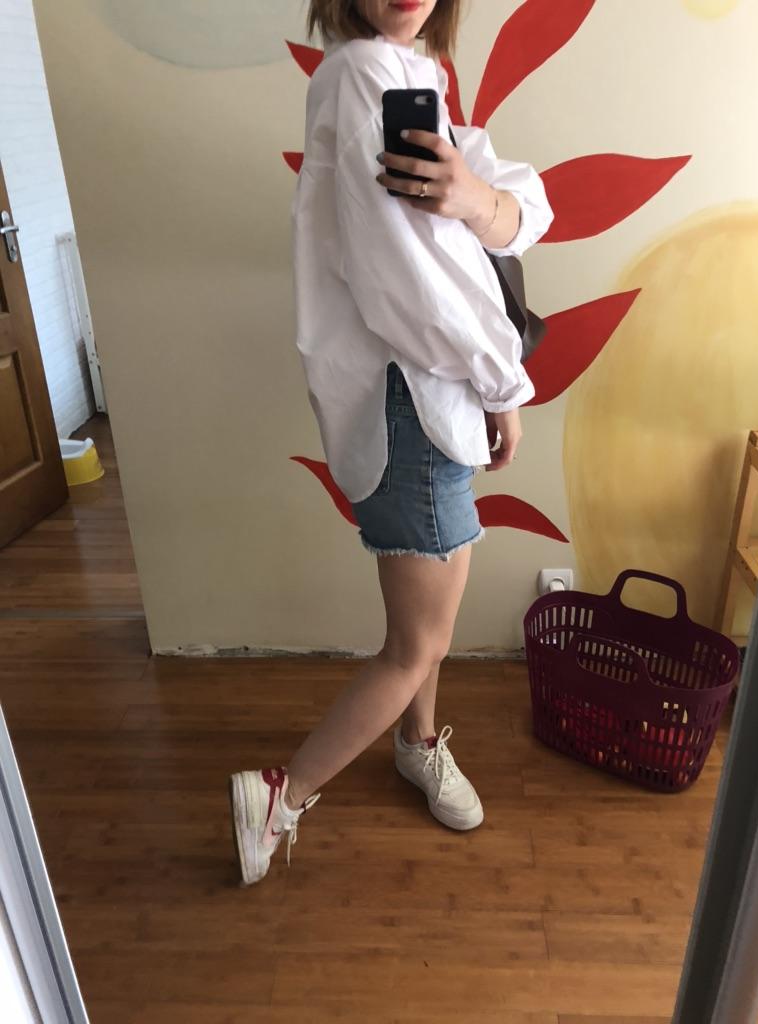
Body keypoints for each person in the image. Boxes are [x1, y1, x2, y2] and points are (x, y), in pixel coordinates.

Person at [228, 0, 554, 886]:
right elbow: (411, 283)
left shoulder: (413, 75)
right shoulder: (368, 73)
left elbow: (527, 208)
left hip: (425, 396)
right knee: (417, 645)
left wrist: (479, 197)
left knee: (422, 631)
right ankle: (278, 796)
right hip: (414, 397)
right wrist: (503, 384)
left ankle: (417, 744)